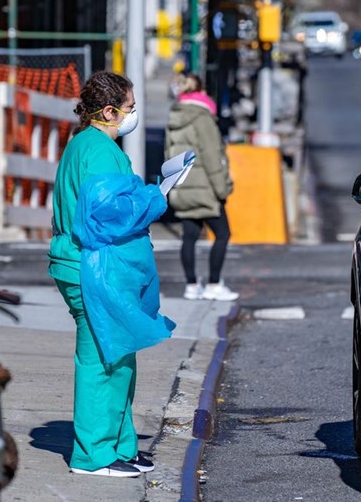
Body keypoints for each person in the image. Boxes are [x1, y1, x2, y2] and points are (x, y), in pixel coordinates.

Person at [48, 71, 175, 478]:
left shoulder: (84, 145)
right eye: (130, 108)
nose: (133, 114)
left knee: (118, 356)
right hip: (91, 266)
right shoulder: (100, 150)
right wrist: (156, 196)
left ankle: (120, 446)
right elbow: (106, 217)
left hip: (86, 263)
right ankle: (95, 456)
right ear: (108, 111)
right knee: (103, 361)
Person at [165, 73, 239, 301]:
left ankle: (191, 285)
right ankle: (214, 284)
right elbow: (212, 156)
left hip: (183, 187)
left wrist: (175, 185)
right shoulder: (203, 117)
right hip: (205, 187)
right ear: (202, 91)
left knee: (189, 235)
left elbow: (169, 154)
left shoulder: (174, 117)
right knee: (223, 233)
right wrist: (222, 188)